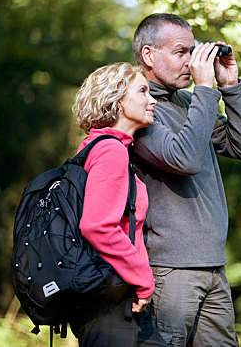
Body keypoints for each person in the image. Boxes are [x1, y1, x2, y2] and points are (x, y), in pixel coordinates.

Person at [132, 13, 241, 346]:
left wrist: (230, 87)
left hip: (213, 264)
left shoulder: (189, 101)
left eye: (193, 51)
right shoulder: (140, 111)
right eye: (180, 52)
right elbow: (183, 159)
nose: (190, 62)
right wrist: (205, 90)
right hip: (170, 269)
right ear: (149, 55)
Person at [70, 62, 162, 346]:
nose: (152, 99)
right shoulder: (110, 151)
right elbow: (97, 226)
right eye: (143, 91)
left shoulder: (97, 147)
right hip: (112, 301)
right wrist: (144, 279)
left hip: (111, 298)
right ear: (117, 100)